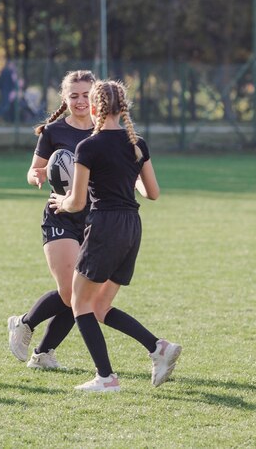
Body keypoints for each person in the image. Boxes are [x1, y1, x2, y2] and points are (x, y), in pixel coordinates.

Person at [48, 79, 182, 392]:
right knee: (100, 308)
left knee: (80, 303)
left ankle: (106, 378)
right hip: (132, 227)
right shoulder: (137, 144)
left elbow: (77, 202)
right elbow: (153, 193)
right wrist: (128, 180)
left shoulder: (88, 146)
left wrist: (60, 201)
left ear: (94, 109)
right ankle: (158, 348)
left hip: (105, 227)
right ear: (123, 109)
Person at [7, 70, 96, 369]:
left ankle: (43, 354)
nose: (81, 101)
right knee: (71, 292)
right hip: (60, 215)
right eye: (74, 96)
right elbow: (34, 169)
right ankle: (25, 323)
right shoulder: (53, 132)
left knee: (79, 298)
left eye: (86, 95)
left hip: (94, 220)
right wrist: (37, 177)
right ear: (64, 99)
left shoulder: (105, 130)